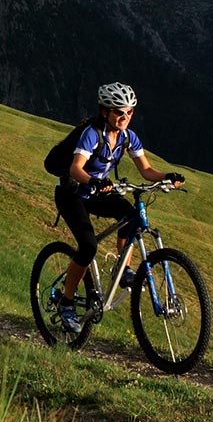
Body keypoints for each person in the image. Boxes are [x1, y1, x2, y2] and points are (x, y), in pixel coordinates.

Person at [53, 81, 184, 333]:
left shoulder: (128, 138)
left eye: (130, 112)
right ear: (105, 112)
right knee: (89, 246)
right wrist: (94, 181)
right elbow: (75, 168)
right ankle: (66, 302)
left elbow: (146, 170)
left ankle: (121, 270)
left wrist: (167, 175)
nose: (125, 117)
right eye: (119, 112)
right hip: (73, 194)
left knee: (133, 216)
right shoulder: (92, 134)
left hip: (98, 192)